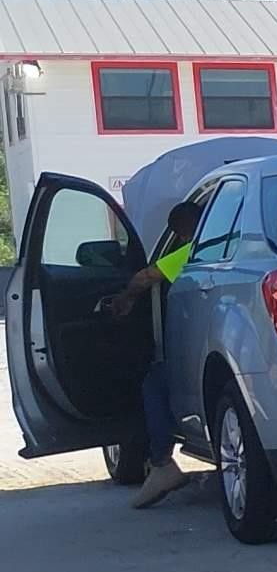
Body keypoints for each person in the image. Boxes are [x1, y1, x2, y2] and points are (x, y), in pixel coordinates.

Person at [106, 200, 201, 509]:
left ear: (184, 231)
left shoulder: (194, 251)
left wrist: (125, 299)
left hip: (198, 346)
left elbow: (146, 277)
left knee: (155, 383)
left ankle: (162, 463)